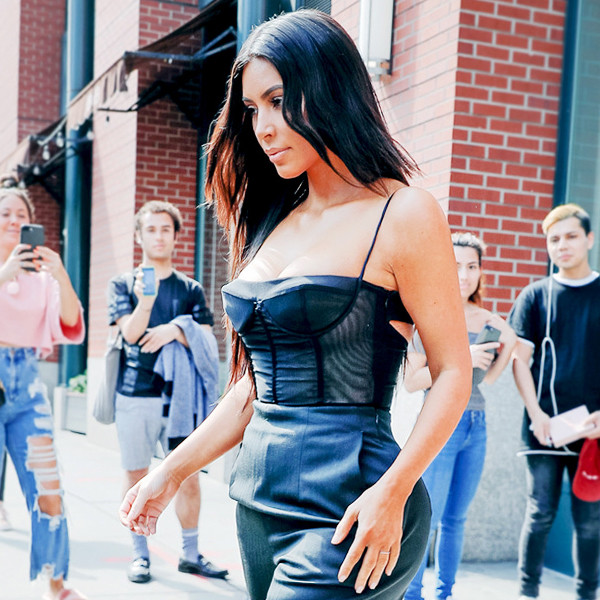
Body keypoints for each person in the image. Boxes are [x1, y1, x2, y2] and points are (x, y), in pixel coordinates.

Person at [119, 10, 473, 599]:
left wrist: (394, 491)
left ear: (330, 87)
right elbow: (254, 388)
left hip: (354, 505)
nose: (263, 127)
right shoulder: (272, 219)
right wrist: (170, 471)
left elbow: (453, 371)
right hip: (258, 503)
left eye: (278, 101)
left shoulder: (404, 213)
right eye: (252, 108)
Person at [107, 200, 227, 584]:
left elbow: (206, 339)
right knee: (136, 474)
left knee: (187, 475)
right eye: (151, 229)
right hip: (135, 395)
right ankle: (140, 555)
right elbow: (129, 335)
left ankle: (190, 554)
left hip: (180, 399)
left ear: (176, 236)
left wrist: (176, 329)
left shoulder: (190, 289)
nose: (158, 236)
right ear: (138, 236)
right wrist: (145, 301)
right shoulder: (123, 284)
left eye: (165, 229)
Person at [404, 232, 517, 600]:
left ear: (480, 272)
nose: (465, 275)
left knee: (456, 519)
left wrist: (507, 343)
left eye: (472, 266)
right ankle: (413, 594)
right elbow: (412, 381)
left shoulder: (488, 320)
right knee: (429, 517)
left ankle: (445, 593)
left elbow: (490, 380)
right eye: (456, 266)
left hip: (476, 424)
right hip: (440, 422)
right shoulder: (428, 313)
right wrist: (463, 356)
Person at [509, 203, 600, 600]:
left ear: (589, 239)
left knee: (590, 520)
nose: (562, 245)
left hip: (594, 430)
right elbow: (520, 361)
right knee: (540, 512)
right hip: (544, 426)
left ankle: (586, 594)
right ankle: (527, 593)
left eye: (571, 237)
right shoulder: (534, 295)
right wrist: (536, 414)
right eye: (554, 239)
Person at [0, 186, 87, 600]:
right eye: (5, 212)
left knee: (48, 489)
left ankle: (56, 583)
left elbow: (70, 322)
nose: (13, 219)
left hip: (28, 385)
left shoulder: (41, 279)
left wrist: (61, 275)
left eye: (21, 213)